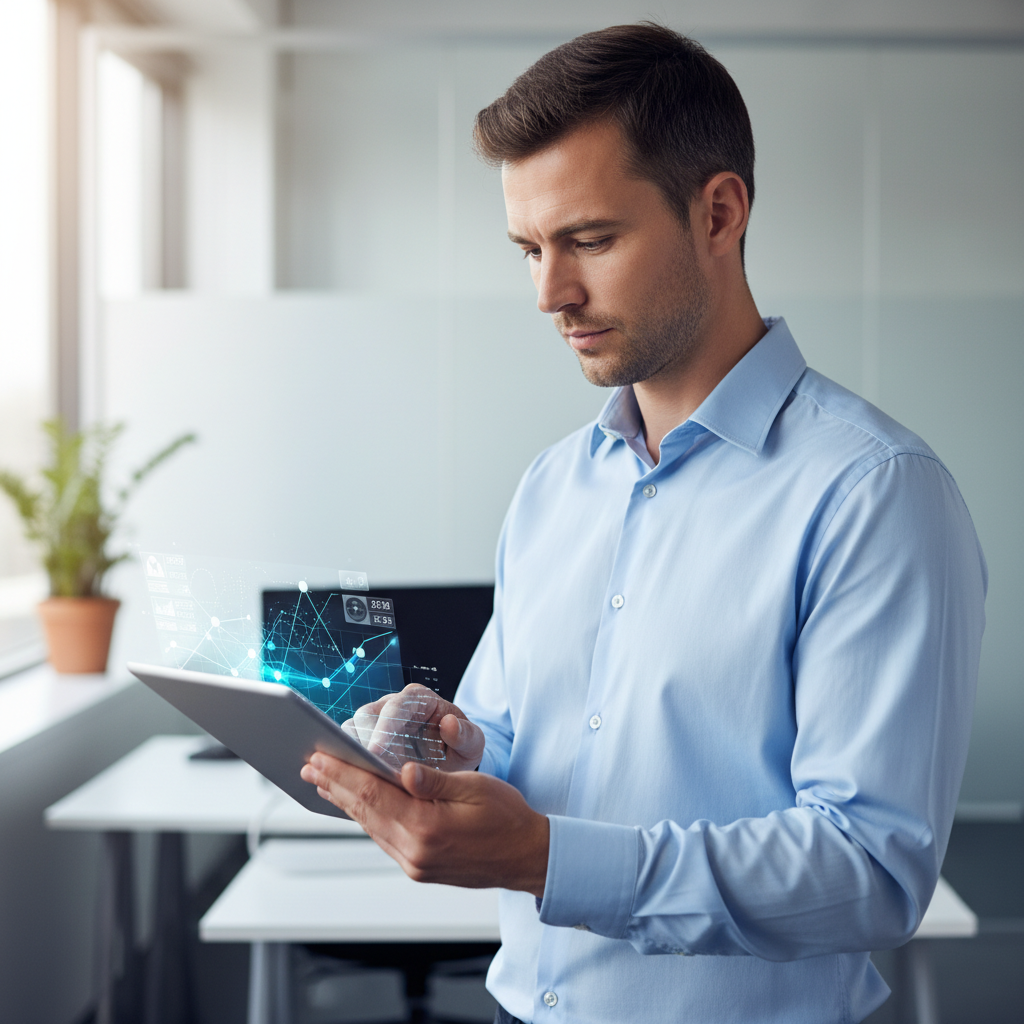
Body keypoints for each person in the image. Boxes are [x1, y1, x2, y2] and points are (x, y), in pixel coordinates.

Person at [301, 23, 987, 1023]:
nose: (549, 293)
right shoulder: (551, 488)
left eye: (588, 240)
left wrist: (546, 857)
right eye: (530, 249)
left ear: (718, 211)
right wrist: (451, 745)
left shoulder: (873, 492)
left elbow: (869, 868)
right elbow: (517, 738)